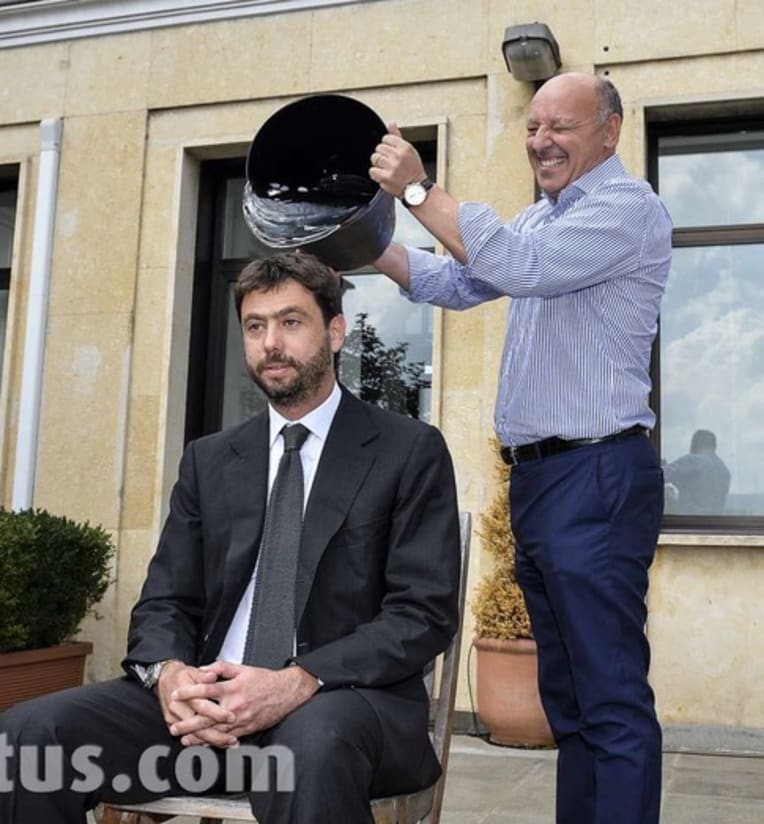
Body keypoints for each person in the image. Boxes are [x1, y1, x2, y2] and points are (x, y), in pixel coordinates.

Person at [0, 251, 461, 823]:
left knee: (307, 750)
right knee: (27, 738)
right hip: (200, 727)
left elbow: (422, 612)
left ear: (335, 332)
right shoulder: (211, 460)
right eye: (255, 325)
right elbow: (165, 601)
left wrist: (296, 682)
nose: (271, 342)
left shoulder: (406, 450)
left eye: (291, 322)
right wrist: (171, 677)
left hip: (336, 711)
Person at [368, 72, 672, 824]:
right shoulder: (543, 219)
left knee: (611, 698)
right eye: (534, 127)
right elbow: (456, 278)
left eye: (560, 127)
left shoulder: (626, 210)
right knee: (569, 705)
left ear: (610, 130)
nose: (541, 141)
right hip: (543, 484)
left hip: (597, 476)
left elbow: (516, 267)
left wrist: (418, 192)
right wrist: (368, 239)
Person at [664, 429, 731, 515]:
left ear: (696, 443)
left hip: (689, 522)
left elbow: (658, 475)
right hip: (714, 524)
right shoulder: (723, 469)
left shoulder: (694, 461)